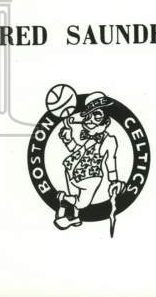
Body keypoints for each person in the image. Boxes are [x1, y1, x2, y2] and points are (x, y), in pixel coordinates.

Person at [55, 92, 123, 229]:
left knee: (80, 202)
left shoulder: (109, 140)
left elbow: (110, 162)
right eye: (88, 116)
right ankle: (72, 214)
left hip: (81, 172)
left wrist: (114, 180)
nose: (90, 120)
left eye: (97, 116)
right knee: (80, 202)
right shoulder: (90, 138)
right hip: (81, 172)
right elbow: (77, 150)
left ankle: (66, 205)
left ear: (106, 121)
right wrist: (68, 139)